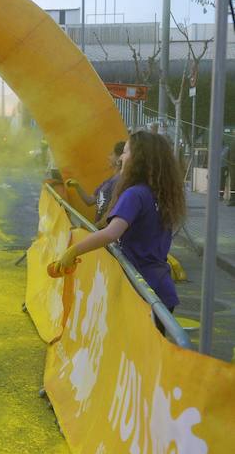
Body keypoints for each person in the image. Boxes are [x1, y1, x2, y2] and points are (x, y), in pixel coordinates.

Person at [53, 131, 185, 329]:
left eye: (125, 152)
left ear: (139, 158)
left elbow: (111, 233)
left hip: (141, 292)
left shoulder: (134, 194)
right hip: (160, 290)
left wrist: (73, 251)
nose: (120, 158)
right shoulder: (160, 194)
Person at [65, 141, 126, 224]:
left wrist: (96, 228)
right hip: (99, 229)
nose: (108, 157)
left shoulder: (120, 181)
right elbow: (89, 201)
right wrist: (77, 186)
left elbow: (112, 212)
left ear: (120, 158)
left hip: (105, 230)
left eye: (112, 154)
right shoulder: (109, 181)